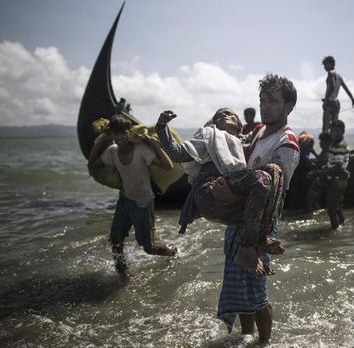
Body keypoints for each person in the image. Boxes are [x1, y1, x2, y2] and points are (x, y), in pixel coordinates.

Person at [216, 73, 300, 345]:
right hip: (238, 218)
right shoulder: (260, 132)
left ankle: (264, 342)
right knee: (240, 291)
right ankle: (245, 336)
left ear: (288, 106)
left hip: (260, 225)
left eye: (273, 101)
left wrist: (229, 196)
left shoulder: (286, 144)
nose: (265, 106)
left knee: (257, 291)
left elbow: (274, 195)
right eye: (262, 100)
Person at [154, 107, 285, 273]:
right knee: (262, 178)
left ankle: (260, 237)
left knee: (274, 171)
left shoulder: (244, 144)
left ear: (239, 126)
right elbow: (177, 153)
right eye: (219, 115)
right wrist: (162, 126)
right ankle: (247, 248)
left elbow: (265, 134)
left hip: (231, 194)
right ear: (214, 122)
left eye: (229, 114)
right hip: (210, 189)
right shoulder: (209, 136)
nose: (223, 115)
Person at [87, 114, 177, 272]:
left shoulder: (141, 150)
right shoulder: (112, 152)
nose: (119, 137)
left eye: (123, 133)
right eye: (115, 133)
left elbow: (168, 166)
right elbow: (92, 164)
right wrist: (102, 138)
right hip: (124, 201)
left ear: (130, 133)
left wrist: (152, 142)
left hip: (144, 203)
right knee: (115, 240)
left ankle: (172, 253)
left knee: (149, 248)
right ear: (112, 135)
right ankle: (121, 271)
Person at [321, 55, 354, 133]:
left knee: (325, 128)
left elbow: (332, 86)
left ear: (332, 64)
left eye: (326, 64)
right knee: (334, 126)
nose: (324, 67)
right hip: (336, 103)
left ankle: (326, 143)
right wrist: (353, 100)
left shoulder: (330, 73)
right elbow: (347, 90)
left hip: (329, 103)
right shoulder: (339, 77)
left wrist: (326, 100)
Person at [322, 120, 350, 229]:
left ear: (342, 132)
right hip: (337, 179)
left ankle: (334, 233)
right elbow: (333, 163)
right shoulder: (335, 145)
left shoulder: (339, 146)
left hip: (337, 180)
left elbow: (338, 167)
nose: (334, 133)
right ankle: (342, 226)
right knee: (337, 206)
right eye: (332, 131)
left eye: (337, 131)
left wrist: (324, 171)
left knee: (331, 210)